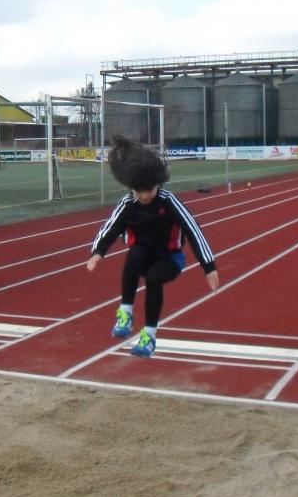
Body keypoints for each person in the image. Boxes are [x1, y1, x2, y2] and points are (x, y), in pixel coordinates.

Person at [87, 136, 219, 358]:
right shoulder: (128, 203)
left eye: (149, 190)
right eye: (139, 191)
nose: (144, 196)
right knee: (135, 252)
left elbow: (193, 230)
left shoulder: (169, 201)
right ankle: (125, 312)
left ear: (158, 184)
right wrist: (98, 251)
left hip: (170, 259)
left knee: (154, 278)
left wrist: (209, 267)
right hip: (141, 258)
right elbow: (111, 227)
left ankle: (148, 336)